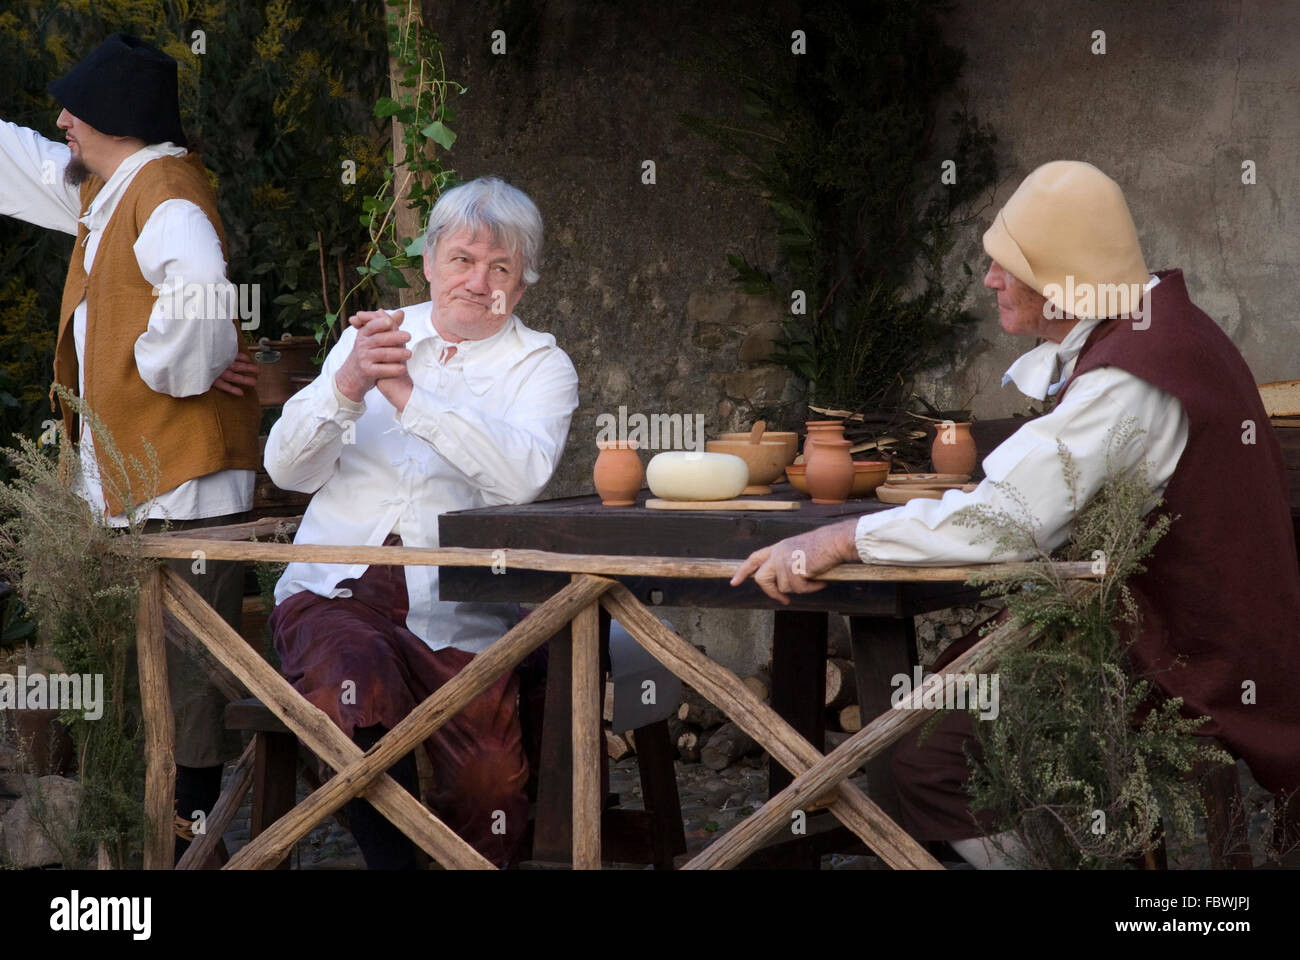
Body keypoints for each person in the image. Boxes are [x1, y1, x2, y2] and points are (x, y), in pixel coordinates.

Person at [731, 160, 1300, 868]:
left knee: (927, 755)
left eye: (1007, 266)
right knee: (937, 730)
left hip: (1188, 659)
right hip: (1160, 632)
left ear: (1062, 277)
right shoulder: (1158, 331)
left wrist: (843, 536)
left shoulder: (1130, 375)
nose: (990, 281)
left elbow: (1003, 521)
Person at [264, 176, 580, 868]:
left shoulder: (541, 366)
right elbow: (287, 470)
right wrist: (346, 387)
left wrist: (408, 396)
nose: (478, 281)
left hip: (457, 607)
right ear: (431, 261)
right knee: (355, 688)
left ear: (523, 284)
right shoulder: (373, 340)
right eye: (462, 260)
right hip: (336, 590)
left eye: (501, 267)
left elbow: (521, 474)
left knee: (491, 782)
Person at [0, 32, 262, 862]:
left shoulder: (167, 194)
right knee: (141, 690)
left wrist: (166, 368)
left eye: (77, 109)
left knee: (186, 693)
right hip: (142, 494)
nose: (64, 120)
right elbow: (31, 164)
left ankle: (189, 847)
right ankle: (162, 849)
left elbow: (202, 297)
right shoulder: (113, 189)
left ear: (118, 119)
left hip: (180, 496)